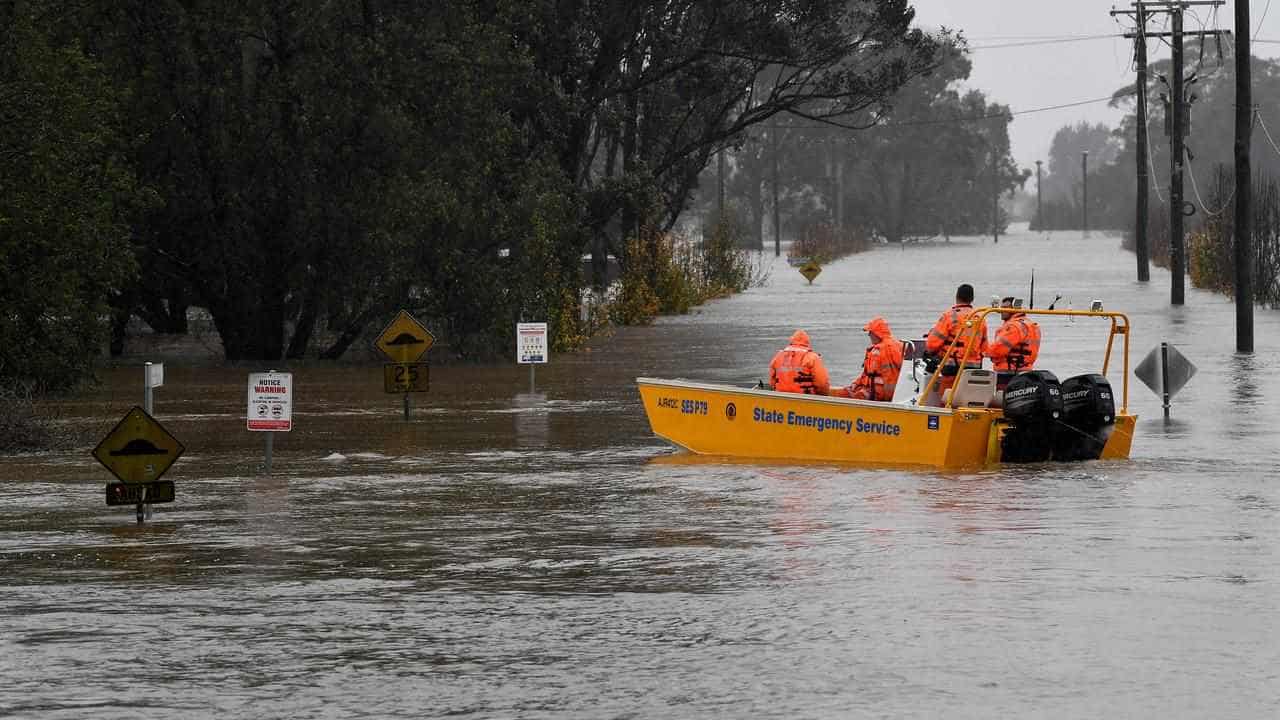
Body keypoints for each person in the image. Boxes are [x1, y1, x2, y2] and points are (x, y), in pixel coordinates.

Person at [924, 283, 989, 402]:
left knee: (947, 400)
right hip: (973, 369)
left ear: (957, 297)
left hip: (952, 367)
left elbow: (932, 344)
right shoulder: (980, 318)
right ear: (972, 299)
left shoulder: (950, 315)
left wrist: (932, 352)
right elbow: (985, 348)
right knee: (967, 401)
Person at [831, 316, 903, 401]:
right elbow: (869, 374)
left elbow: (875, 375)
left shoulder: (879, 351)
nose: (869, 335)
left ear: (877, 333)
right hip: (893, 393)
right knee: (846, 392)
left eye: (870, 332)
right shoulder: (899, 345)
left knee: (843, 395)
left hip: (878, 394)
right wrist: (856, 384)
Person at [987, 296, 1041, 390]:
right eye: (1001, 308)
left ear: (1013, 309)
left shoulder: (1013, 327)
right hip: (1026, 372)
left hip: (1008, 374)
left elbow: (998, 350)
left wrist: (983, 351)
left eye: (1005, 308)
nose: (1001, 311)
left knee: (1002, 400)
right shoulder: (1032, 326)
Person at [769, 329, 830, 395]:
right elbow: (822, 383)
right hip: (806, 398)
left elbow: (772, 381)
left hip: (782, 396)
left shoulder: (778, 356)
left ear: (792, 340)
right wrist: (824, 395)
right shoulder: (812, 357)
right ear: (807, 342)